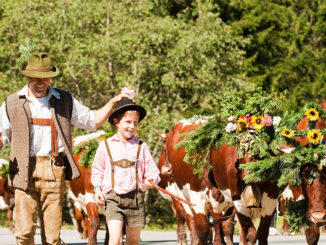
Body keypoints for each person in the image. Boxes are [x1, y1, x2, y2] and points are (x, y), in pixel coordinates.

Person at [0, 52, 132, 245]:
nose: (41, 82)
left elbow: (92, 120)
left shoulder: (64, 99)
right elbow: (3, 136)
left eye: (45, 77)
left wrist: (112, 104)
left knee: (52, 237)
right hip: (22, 171)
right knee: (25, 233)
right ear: (27, 76)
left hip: (54, 169)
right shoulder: (12, 102)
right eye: (36, 77)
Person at [91, 88, 160, 245]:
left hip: (135, 198)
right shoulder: (105, 146)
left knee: (133, 241)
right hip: (113, 198)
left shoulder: (141, 146)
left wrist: (151, 179)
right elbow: (97, 171)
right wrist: (97, 188)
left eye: (135, 123)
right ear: (116, 122)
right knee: (114, 241)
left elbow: (153, 171)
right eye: (127, 122)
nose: (132, 126)